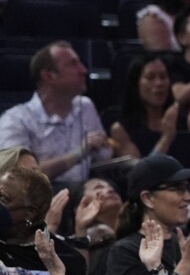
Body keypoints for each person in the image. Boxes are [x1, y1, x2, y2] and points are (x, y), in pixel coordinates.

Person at [0, 41, 112, 183]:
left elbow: (103, 157)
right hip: (39, 199)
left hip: (82, 192)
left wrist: (107, 147)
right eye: (73, 64)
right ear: (49, 76)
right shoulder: (14, 120)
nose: (83, 70)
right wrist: (78, 154)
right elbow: (19, 178)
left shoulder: (86, 106)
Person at [110, 53, 190, 179]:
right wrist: (166, 138)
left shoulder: (185, 121)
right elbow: (140, 179)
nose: (159, 83)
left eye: (163, 77)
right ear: (136, 84)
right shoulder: (121, 129)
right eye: (150, 77)